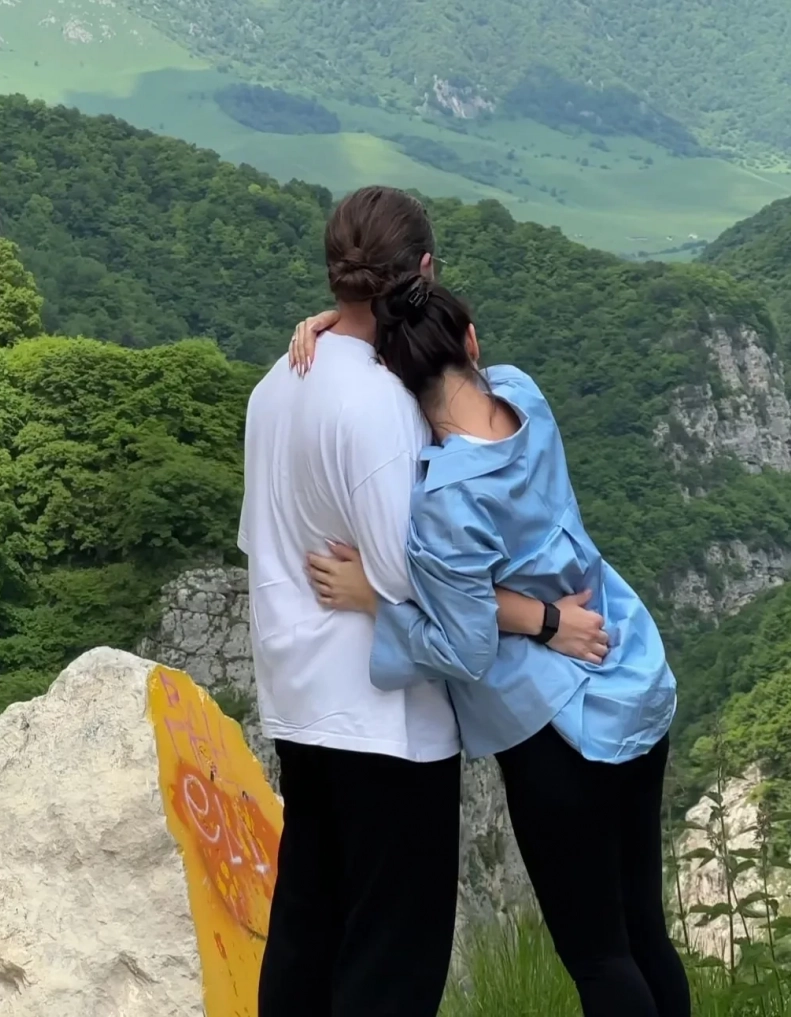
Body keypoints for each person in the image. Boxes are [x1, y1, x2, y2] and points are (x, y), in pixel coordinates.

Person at [241, 186, 610, 1017]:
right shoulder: (382, 406)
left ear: (334, 276)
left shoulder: (276, 384)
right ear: (427, 271)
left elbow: (259, 539)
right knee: (391, 963)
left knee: (304, 936)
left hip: (297, 702)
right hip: (386, 721)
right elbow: (432, 586)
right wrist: (546, 619)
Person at [289, 275, 692, 1017]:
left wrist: (376, 600)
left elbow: (465, 645)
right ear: (471, 341)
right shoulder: (524, 396)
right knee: (645, 932)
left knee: (600, 958)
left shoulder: (447, 499)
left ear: (394, 377)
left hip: (553, 727)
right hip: (628, 673)